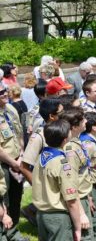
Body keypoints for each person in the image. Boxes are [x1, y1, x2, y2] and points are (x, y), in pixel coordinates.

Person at [32, 120, 83, 240]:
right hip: (58, 217)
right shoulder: (63, 164)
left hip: (41, 214)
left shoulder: (40, 157)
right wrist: (78, 228)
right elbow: (71, 201)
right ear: (65, 140)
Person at [59, 108, 93, 241]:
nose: (86, 121)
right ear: (74, 126)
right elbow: (70, 184)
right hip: (77, 199)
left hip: (84, 196)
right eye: (82, 119)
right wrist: (81, 213)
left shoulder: (76, 141)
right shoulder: (70, 149)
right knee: (85, 236)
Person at [0, 83, 28, 241]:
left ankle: (13, 232)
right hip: (4, 164)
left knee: (16, 198)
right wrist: (13, 162)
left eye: (4, 90)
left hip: (17, 160)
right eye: (0, 93)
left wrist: (21, 155)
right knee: (4, 200)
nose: (4, 94)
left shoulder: (11, 109)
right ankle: (4, 234)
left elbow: (19, 134)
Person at [79, 112, 96, 241]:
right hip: (88, 185)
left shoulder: (93, 139)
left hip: (93, 182)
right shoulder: (87, 144)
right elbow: (85, 168)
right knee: (92, 217)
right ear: (93, 127)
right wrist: (88, 194)